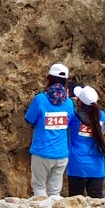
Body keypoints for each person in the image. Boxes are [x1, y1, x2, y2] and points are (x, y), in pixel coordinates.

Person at [24, 64, 74, 198]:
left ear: (49, 79)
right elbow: (68, 123)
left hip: (42, 151)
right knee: (55, 191)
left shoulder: (40, 99)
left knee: (39, 188)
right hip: (61, 154)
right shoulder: (69, 103)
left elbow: (29, 119)